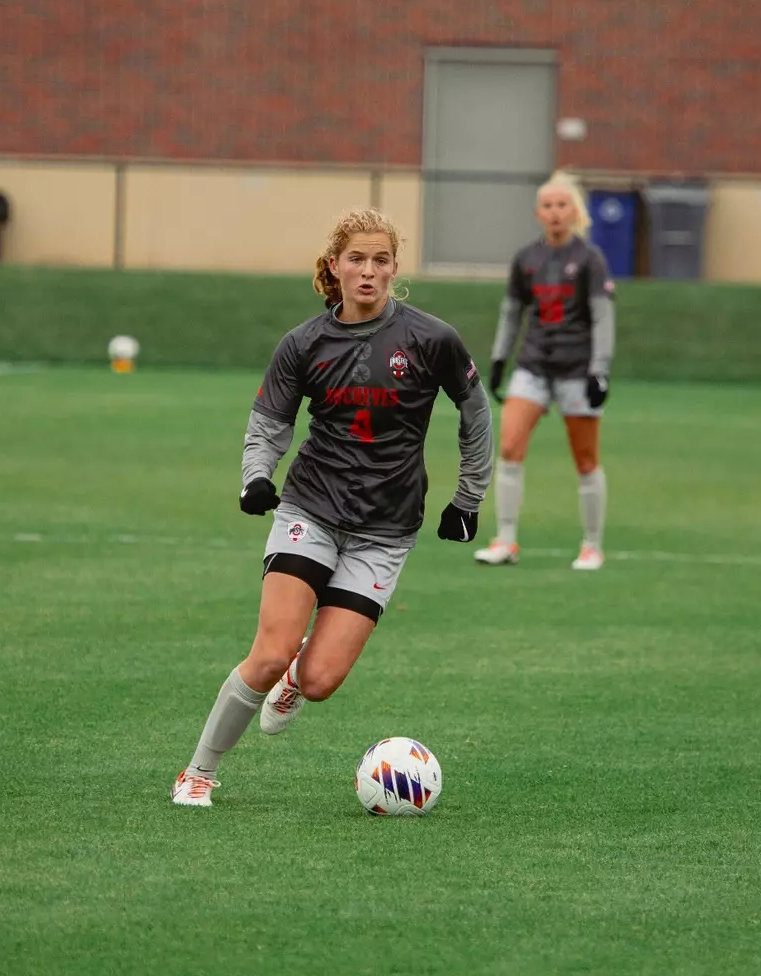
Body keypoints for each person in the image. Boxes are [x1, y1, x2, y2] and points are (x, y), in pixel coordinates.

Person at [170, 208, 492, 807]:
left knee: (318, 680)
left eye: (381, 261)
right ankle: (198, 771)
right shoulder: (304, 342)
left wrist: (468, 498)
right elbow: (269, 422)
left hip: (386, 530)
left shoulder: (433, 338)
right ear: (335, 267)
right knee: (269, 652)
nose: (369, 272)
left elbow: (475, 415)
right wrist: (256, 478)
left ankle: (295, 683)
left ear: (395, 268)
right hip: (310, 508)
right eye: (357, 260)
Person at [474, 171, 615, 571]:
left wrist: (599, 370)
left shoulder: (590, 260)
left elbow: (603, 317)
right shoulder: (526, 259)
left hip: (576, 369)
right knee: (508, 447)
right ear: (538, 212)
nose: (555, 213)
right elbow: (512, 312)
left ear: (575, 212)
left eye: (562, 205)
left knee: (586, 459)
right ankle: (505, 541)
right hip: (533, 365)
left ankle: (592, 545)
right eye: (548, 206)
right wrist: (500, 358)